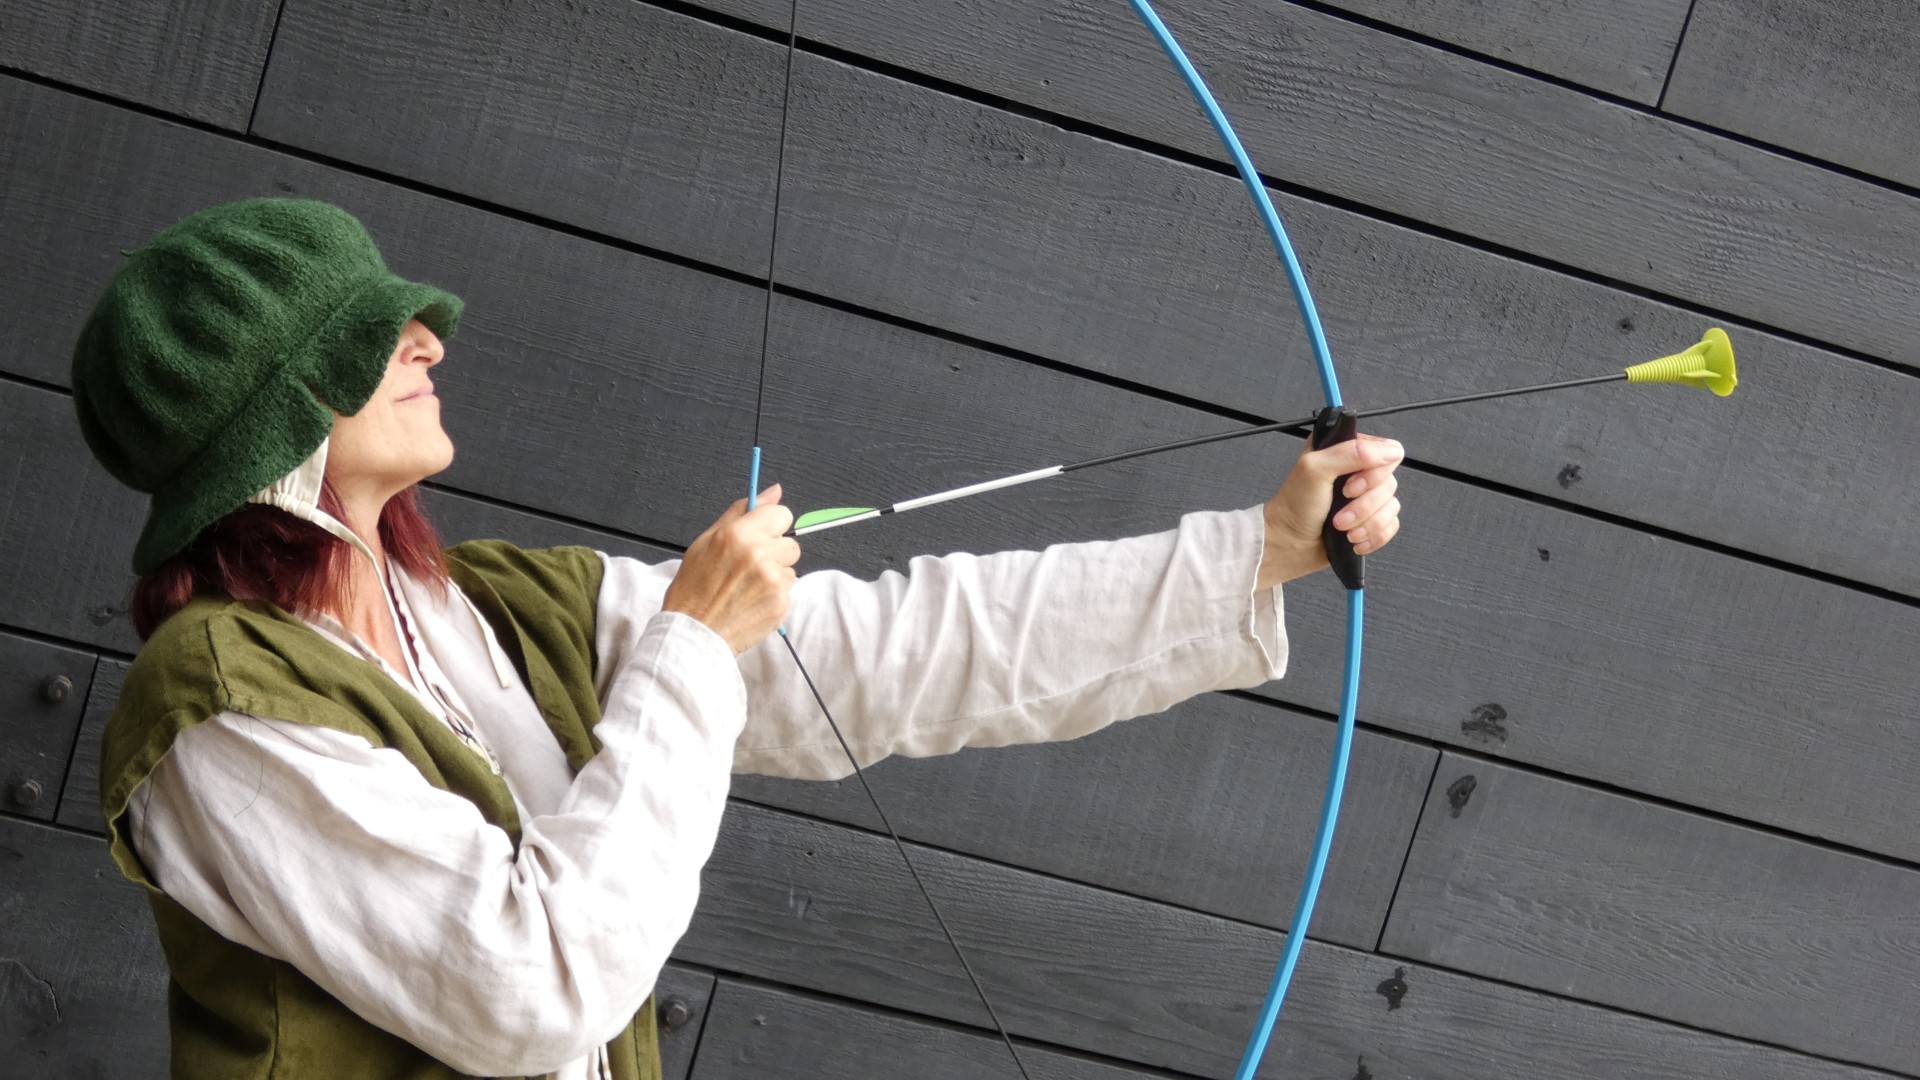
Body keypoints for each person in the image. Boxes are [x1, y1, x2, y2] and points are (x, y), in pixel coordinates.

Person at [72, 198, 1404, 1080]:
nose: (427, 338)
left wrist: (1261, 551)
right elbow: (528, 988)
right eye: (372, 334)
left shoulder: (484, 607)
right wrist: (691, 645)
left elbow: (888, 654)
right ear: (273, 415)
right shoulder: (213, 704)